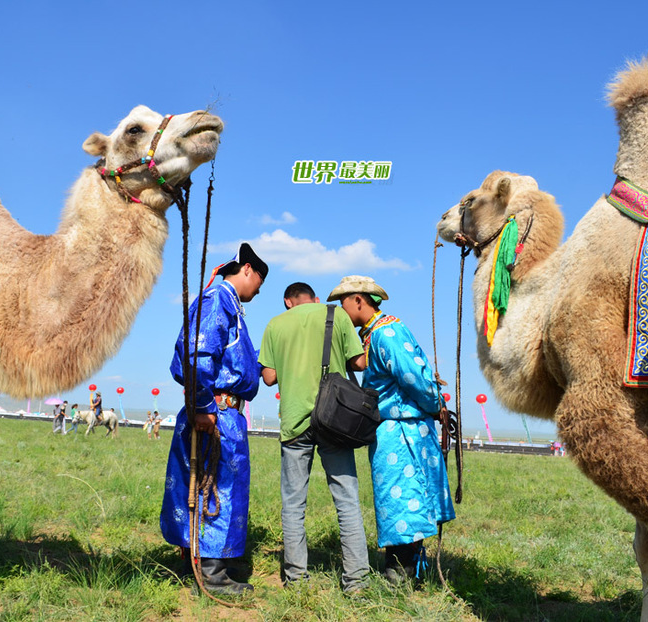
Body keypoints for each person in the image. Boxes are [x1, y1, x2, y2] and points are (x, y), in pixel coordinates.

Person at [328, 275, 456, 584]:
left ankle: (403, 574)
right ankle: (405, 570)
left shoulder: (388, 333)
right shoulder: (371, 335)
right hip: (390, 431)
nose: (341, 311)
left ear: (359, 300)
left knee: (406, 499)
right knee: (395, 500)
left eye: (343, 303)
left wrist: (436, 405)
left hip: (405, 431)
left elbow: (414, 377)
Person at [160, 242, 267, 595]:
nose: (258, 291)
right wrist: (204, 404)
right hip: (214, 412)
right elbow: (197, 353)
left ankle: (205, 561)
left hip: (222, 411)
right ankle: (210, 572)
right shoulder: (217, 299)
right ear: (247, 270)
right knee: (213, 486)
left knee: (218, 485)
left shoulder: (228, 303)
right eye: (259, 283)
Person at [258, 282, 370, 593]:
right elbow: (359, 362)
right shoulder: (335, 315)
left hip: (295, 421)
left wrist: (290, 360)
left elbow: (268, 378)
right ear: (316, 299)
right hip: (334, 419)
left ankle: (296, 580)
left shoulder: (275, 324)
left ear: (287, 302)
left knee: (293, 504)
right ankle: (356, 581)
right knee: (347, 500)